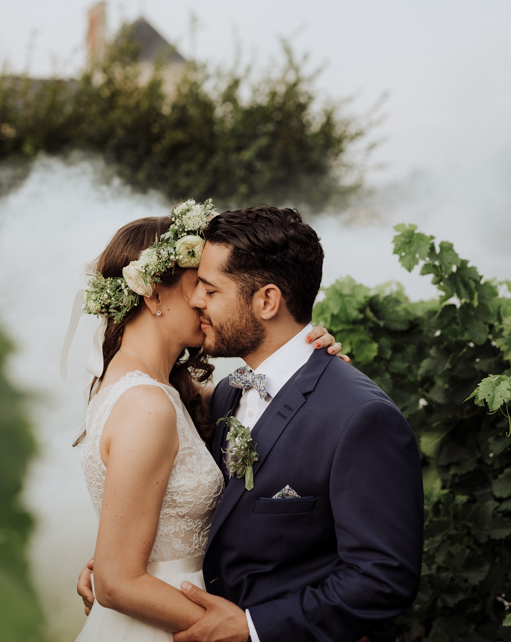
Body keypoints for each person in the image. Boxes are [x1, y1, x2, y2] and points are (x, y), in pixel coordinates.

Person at [74, 201, 347, 642]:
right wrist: (240, 631)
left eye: (209, 287)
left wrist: (305, 354)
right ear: (153, 293)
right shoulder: (147, 404)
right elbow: (118, 578)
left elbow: (267, 389)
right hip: (170, 623)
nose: (203, 300)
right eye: (195, 284)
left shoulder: (162, 389)